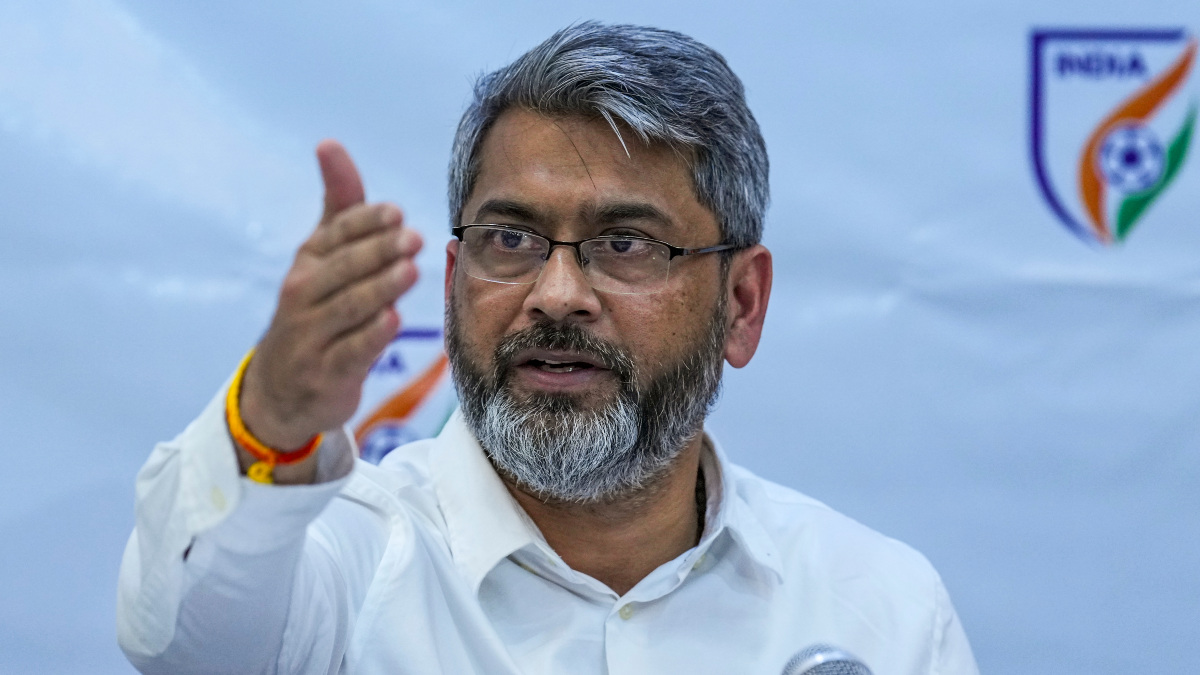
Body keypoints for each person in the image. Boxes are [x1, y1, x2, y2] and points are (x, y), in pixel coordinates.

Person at [117, 22, 979, 675]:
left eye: (627, 244)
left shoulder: (880, 611)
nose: (556, 293)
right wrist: (272, 414)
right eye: (513, 239)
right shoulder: (348, 558)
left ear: (742, 303)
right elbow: (184, 638)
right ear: (454, 279)